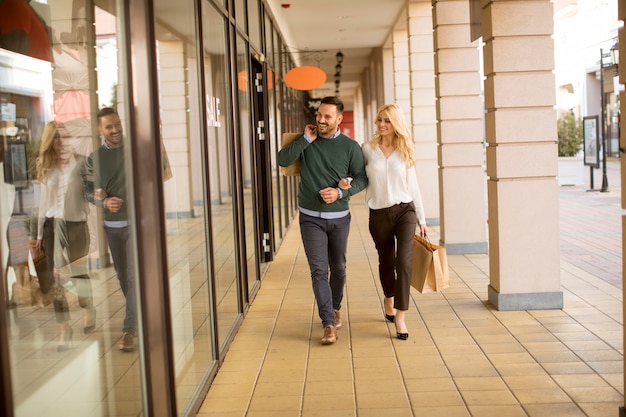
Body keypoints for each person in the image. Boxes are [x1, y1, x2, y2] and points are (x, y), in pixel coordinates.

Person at [277, 96, 367, 345]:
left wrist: (341, 192)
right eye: (320, 115)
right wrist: (305, 139)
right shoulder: (305, 140)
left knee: (338, 268)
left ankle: (335, 307)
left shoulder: (351, 147)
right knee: (318, 270)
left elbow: (361, 178)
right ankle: (328, 322)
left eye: (328, 116)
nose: (321, 120)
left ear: (339, 119)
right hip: (310, 219)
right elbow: (282, 160)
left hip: (339, 218)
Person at [356, 104, 427, 341]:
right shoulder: (367, 149)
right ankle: (389, 297)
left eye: (387, 120)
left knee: (404, 261)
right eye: (379, 120)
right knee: (386, 262)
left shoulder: (405, 149)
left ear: (395, 123)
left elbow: (413, 185)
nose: (382, 125)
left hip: (404, 212)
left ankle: (401, 317)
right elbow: (358, 176)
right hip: (378, 214)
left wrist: (422, 218)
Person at [33, 121, 94, 351]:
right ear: (50, 140)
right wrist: (38, 234)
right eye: (56, 137)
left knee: (78, 273)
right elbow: (42, 203)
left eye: (64, 136)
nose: (61, 141)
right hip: (51, 225)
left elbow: (90, 191)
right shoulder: (45, 166)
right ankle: (64, 328)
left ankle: (88, 306)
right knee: (55, 278)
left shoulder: (80, 162)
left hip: (76, 224)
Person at [83, 107, 136, 352]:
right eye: (109, 127)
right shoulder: (94, 158)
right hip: (113, 227)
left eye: (117, 124)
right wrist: (104, 201)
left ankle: (129, 330)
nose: (115, 130)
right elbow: (88, 192)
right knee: (123, 276)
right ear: (100, 130)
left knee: (134, 277)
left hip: (138, 224)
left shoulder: (136, 148)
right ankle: (139, 314)